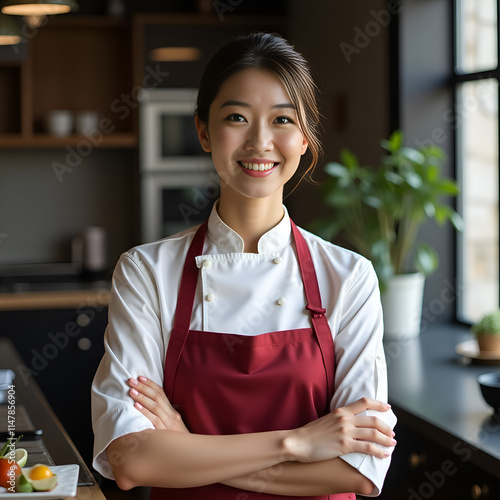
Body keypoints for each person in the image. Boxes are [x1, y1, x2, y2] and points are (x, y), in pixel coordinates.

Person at [91, 32, 397, 499]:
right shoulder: (146, 272)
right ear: (204, 131)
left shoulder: (348, 278)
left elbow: (359, 471)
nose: (259, 141)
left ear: (304, 137)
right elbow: (131, 458)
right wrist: (296, 443)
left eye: (282, 120)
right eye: (236, 117)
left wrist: (187, 447)